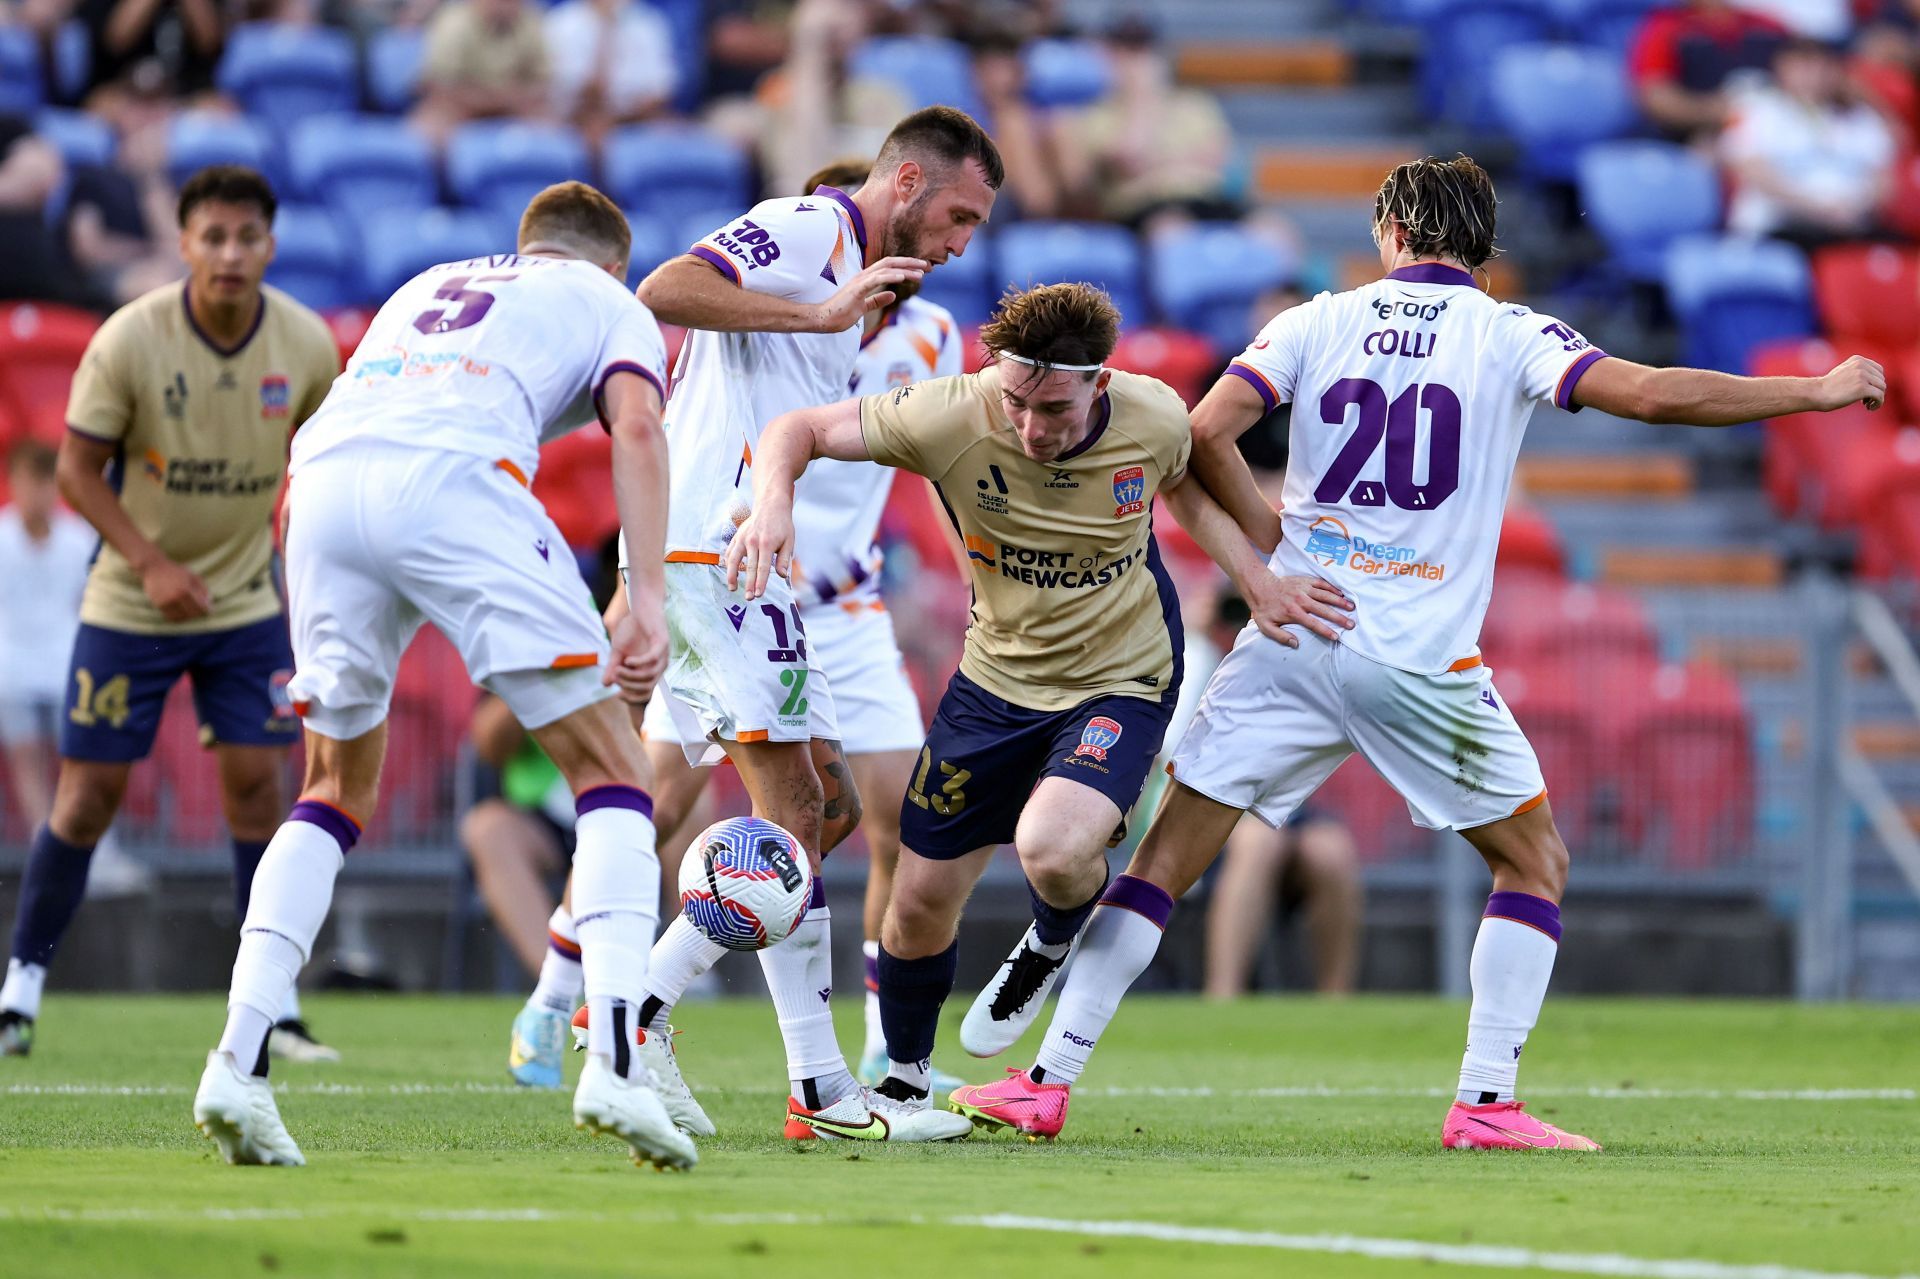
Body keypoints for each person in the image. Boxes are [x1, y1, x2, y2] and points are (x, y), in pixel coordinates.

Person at [951, 154, 1885, 1147]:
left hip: (1296, 631)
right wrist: (1812, 392)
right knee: (1533, 864)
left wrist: (1271, 541)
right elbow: (1652, 395)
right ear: (1483, 250)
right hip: (1417, 654)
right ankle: (1486, 1101)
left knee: (1161, 864)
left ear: (1388, 233)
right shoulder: (1508, 330)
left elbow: (1199, 432)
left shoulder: (1317, 318)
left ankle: (1045, 1080)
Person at [722, 281, 1345, 1122]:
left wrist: (1257, 577)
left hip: (1120, 676)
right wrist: (772, 504)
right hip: (995, 683)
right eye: (1016, 401)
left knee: (1051, 848)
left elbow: (1185, 477)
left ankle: (1053, 933)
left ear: (1099, 382)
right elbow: (795, 429)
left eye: (1051, 407)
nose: (1029, 427)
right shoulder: (952, 411)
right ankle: (904, 1082)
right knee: (915, 900)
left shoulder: (1154, 414)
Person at [190, 180, 698, 1172]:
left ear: (526, 244)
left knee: (332, 787)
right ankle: (620, 1069)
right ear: (612, 265)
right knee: (615, 776)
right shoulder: (610, 301)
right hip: (454, 479)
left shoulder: (430, 281)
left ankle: (235, 1064)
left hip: (325, 482)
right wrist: (644, 594)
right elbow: (636, 428)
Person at [617, 106, 999, 1144]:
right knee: (794, 808)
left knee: (821, 805)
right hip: (716, 548)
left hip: (739, 556)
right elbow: (665, 288)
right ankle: (676, 1039)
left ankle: (682, 1030)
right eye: (959, 214)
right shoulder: (810, 230)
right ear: (909, 183)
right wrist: (822, 316)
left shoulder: (865, 280)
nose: (964, 242)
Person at [0, 166, 341, 1063]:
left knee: (260, 790)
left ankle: (273, 1002)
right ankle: (21, 988)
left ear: (270, 245)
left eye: (247, 237)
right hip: (132, 603)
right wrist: (149, 563)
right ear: (184, 243)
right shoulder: (130, 339)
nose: (230, 254)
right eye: (213, 237)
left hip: (243, 602)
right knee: (86, 797)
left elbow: (324, 464)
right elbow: (75, 471)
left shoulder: (305, 343)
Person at [0, 443, 95, 837]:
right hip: (11, 667)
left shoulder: (78, 538)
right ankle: (47, 842)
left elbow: (89, 603)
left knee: (77, 761)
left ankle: (79, 845)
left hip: (65, 666)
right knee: (26, 760)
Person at [1721, 37, 1897, 246]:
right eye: (1803, 66)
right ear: (1782, 68)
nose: (1815, 74)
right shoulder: (1756, 108)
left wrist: (1854, 208)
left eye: (1823, 65)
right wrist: (1817, 209)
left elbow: (1883, 180)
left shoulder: (1862, 117)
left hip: (1849, 226)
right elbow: (1752, 170)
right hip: (1779, 227)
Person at [1628, 0, 1790, 139]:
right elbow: (1657, 97)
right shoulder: (1665, 28)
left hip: (1777, 128)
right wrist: (1719, 111)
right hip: (1701, 137)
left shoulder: (1767, 25)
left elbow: (1804, 72)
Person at [411, 0, 553, 145]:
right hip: (458, 106)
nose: (505, 6)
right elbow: (439, 86)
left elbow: (542, 83)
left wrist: (505, 100)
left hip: (515, 107)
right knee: (429, 136)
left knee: (552, 135)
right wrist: (494, 98)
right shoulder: (454, 23)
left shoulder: (531, 21)